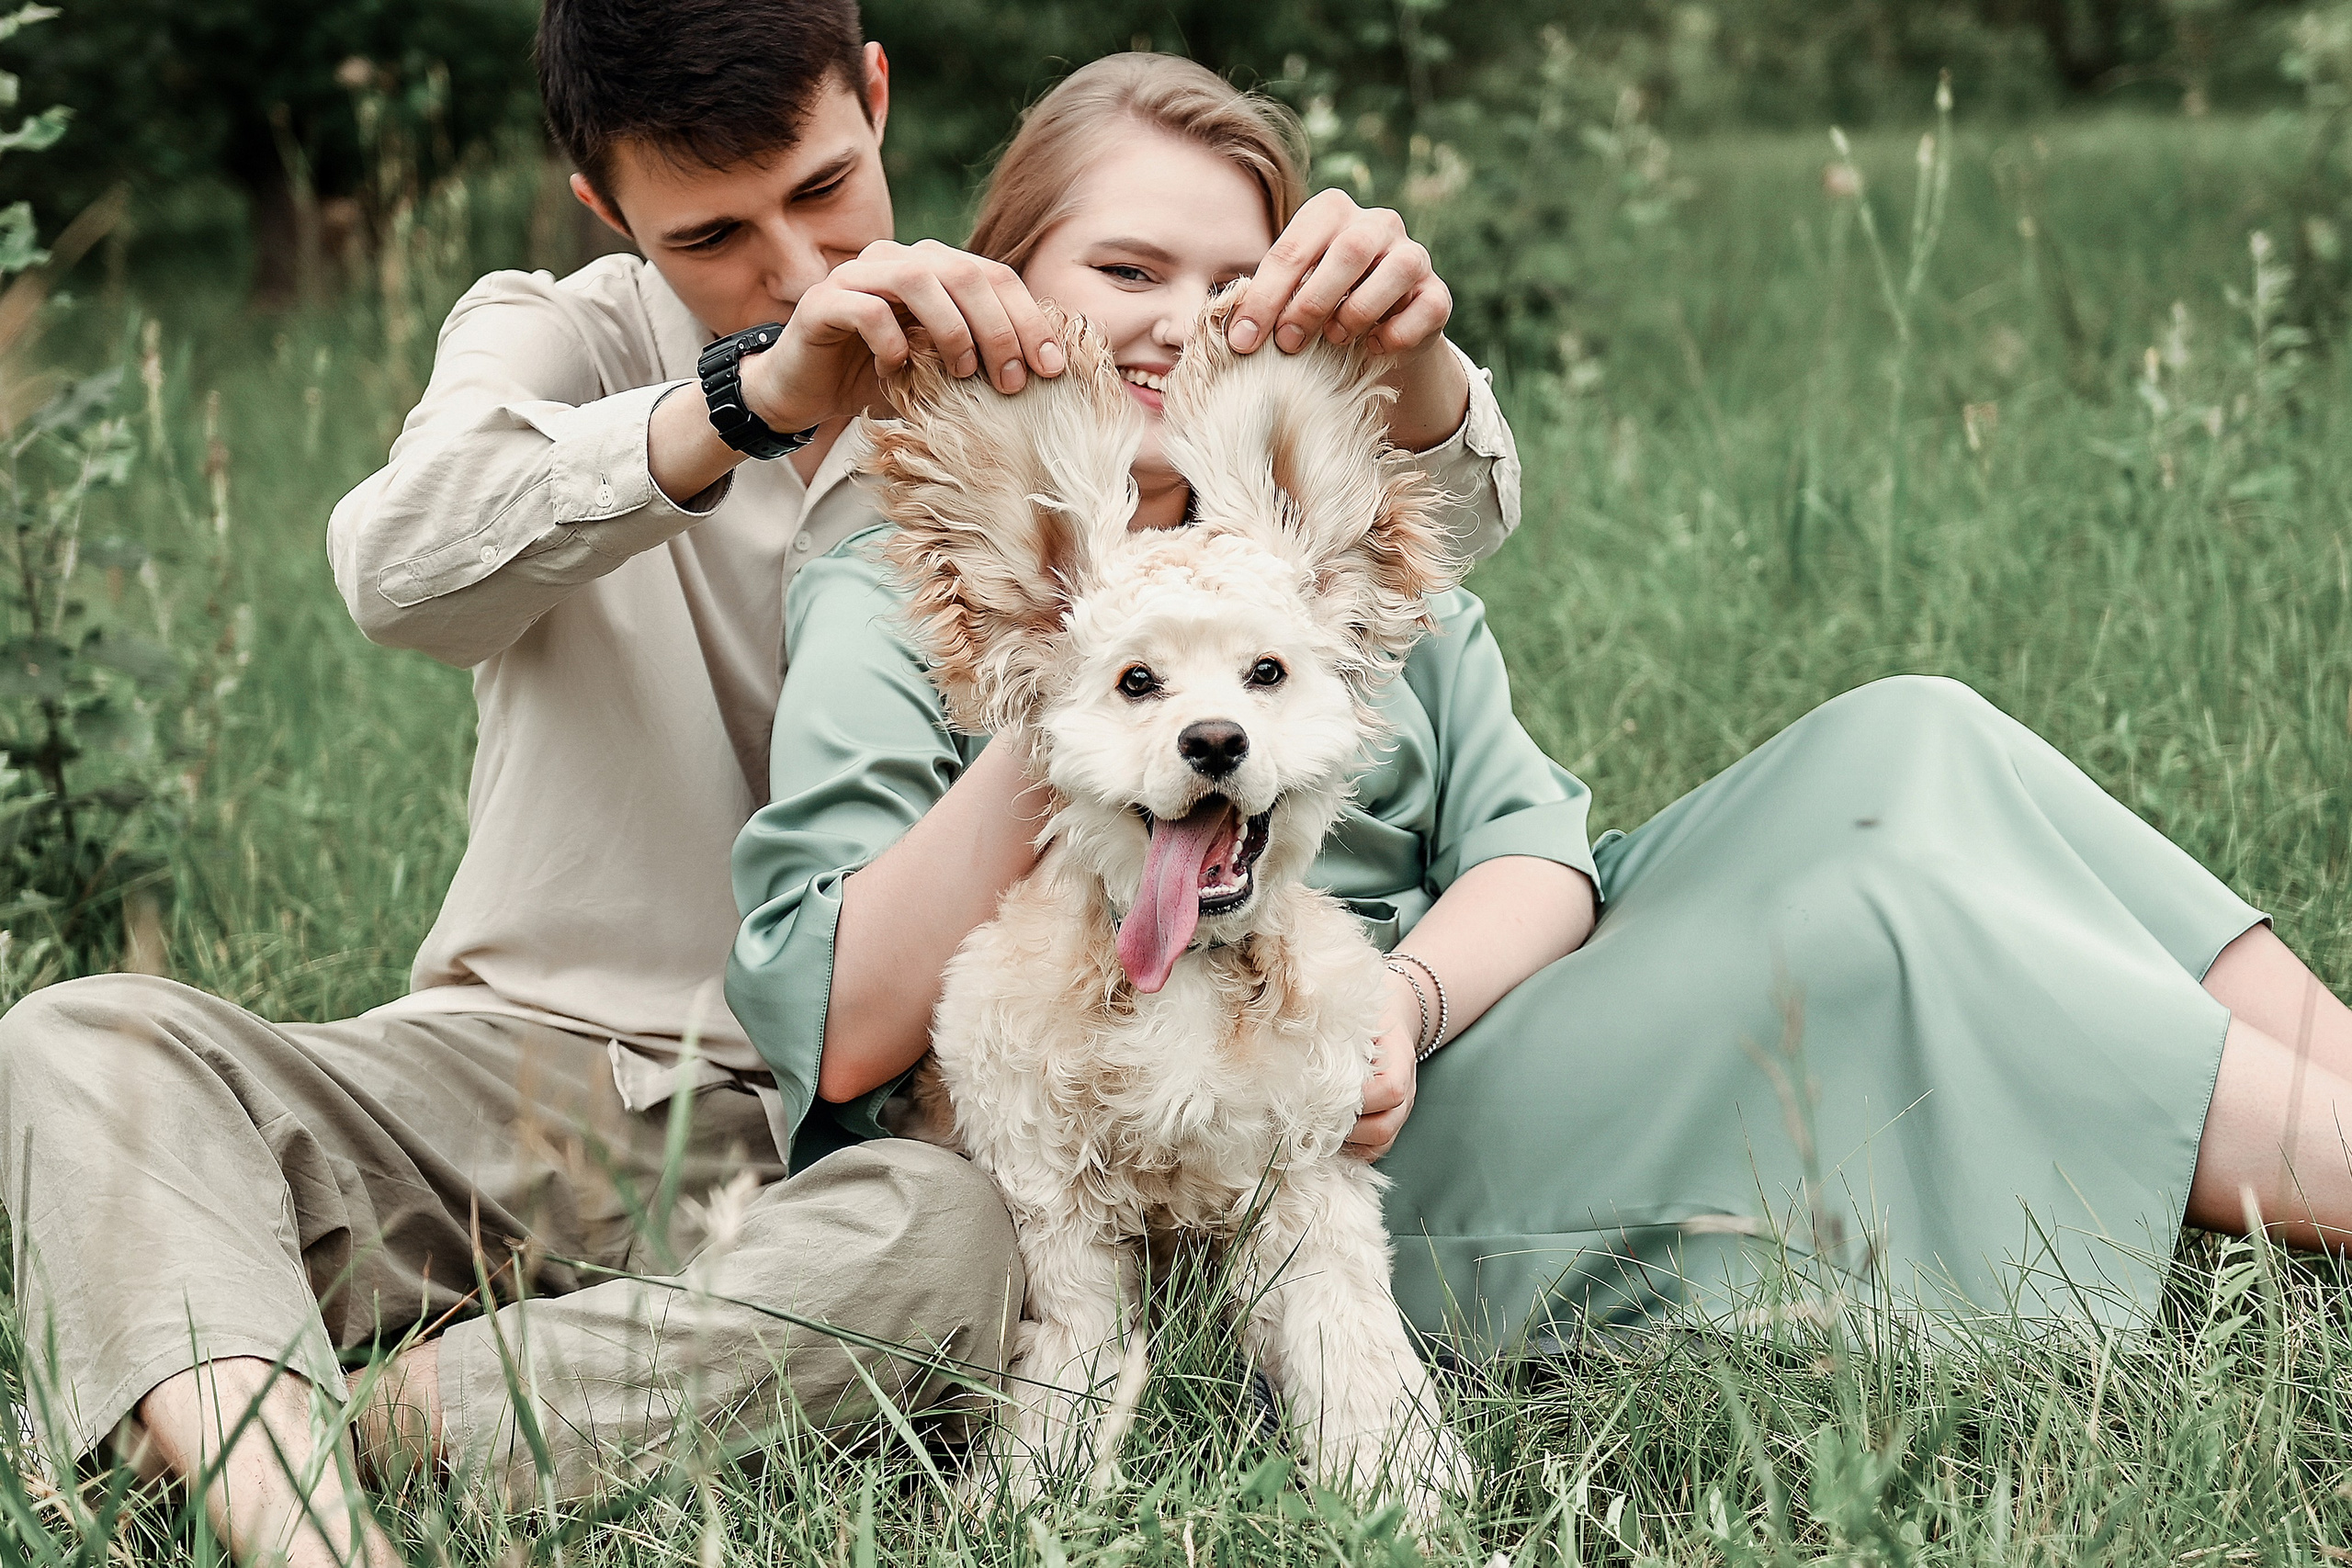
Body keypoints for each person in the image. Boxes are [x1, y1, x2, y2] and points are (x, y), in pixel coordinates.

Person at [0, 10, 1465, 1567]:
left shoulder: (1025, 401)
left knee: (947, 1246)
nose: (792, 263)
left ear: (877, 96)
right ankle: (301, 1534)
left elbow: (1391, 556)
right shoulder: (560, 336)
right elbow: (397, 572)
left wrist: (1422, 361)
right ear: (605, 209)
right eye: (710, 232)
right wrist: (749, 398)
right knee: (86, 1037)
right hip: (519, 1068)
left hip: (806, 1155)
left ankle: (305, 1423)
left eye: (827, 187)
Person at [729, 51, 2352, 1371]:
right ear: (1022, 292)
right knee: (1872, 926)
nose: (1183, 318)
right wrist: (1096, 674)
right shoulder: (910, 584)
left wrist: (1407, 1007)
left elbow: (1541, 854)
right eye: (1129, 269)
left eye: (1239, 281)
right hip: (1246, 1128)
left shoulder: (1330, 553)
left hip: (1424, 1017)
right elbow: (846, 1020)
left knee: (1921, 733)